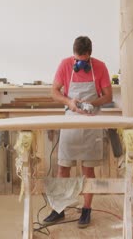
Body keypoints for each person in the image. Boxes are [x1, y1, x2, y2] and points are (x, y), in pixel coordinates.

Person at [43, 36, 112, 228]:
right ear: (73, 54)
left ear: (90, 54)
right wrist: (69, 102)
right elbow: (54, 91)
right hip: (71, 121)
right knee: (63, 167)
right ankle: (59, 209)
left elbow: (108, 96)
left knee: (88, 169)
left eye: (84, 59)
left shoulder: (100, 67)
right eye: (77, 59)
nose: (80, 63)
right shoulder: (65, 64)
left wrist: (92, 103)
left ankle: (86, 210)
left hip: (91, 124)